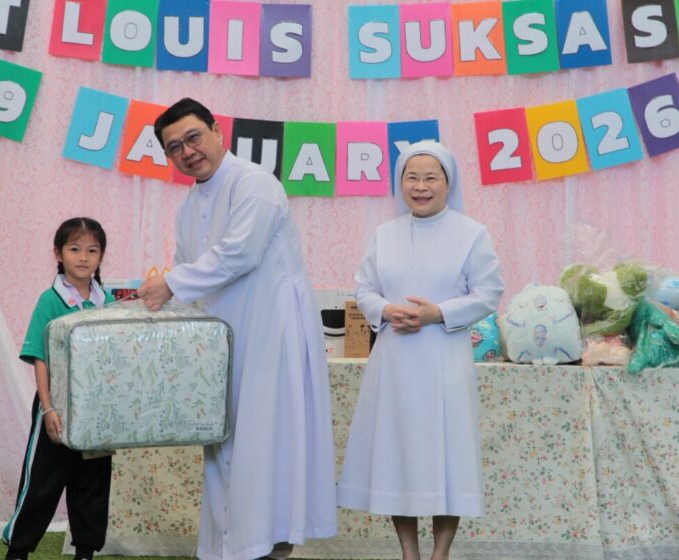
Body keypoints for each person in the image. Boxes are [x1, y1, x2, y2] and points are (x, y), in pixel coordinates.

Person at [137, 98, 338, 560]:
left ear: (216, 131)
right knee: (225, 443)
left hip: (271, 334)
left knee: (268, 444)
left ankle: (270, 547)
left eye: (193, 137)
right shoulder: (189, 207)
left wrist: (170, 283)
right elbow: (188, 279)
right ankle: (229, 548)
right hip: (222, 345)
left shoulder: (254, 183)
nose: (187, 151)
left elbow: (239, 254)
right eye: (174, 147)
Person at [337, 142, 504, 560]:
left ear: (448, 183)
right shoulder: (385, 234)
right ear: (401, 184)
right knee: (400, 456)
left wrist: (437, 313)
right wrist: (385, 309)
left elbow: (489, 293)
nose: (420, 186)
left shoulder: (472, 233)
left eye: (431, 178)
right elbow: (365, 289)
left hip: (444, 359)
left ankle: (440, 553)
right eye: (411, 177)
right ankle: (409, 553)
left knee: (447, 458)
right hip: (395, 360)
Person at [3, 217, 115, 560]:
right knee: (42, 483)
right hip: (58, 406)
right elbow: (40, 357)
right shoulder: (50, 300)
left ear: (101, 256)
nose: (83, 257)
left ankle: (85, 552)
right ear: (58, 253)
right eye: (75, 249)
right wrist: (48, 408)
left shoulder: (108, 301)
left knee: (92, 482)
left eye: (92, 250)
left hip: (96, 409)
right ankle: (18, 551)